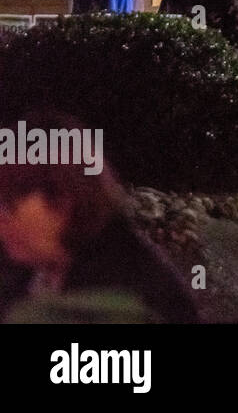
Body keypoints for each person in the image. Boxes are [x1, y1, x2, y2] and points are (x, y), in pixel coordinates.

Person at [0, 111, 198, 323]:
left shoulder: (136, 306)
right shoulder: (31, 275)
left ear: (65, 198)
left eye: (9, 204)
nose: (2, 219)